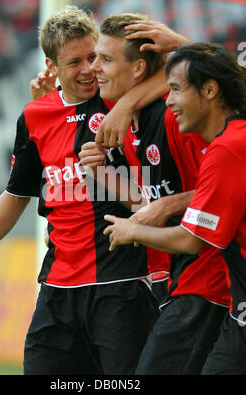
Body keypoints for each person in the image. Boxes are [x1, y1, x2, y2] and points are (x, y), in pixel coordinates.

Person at [0, 6, 169, 375]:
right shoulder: (36, 115)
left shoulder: (121, 98)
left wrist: (128, 103)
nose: (89, 69)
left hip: (120, 284)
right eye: (75, 62)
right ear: (52, 64)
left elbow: (178, 76)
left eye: (93, 57)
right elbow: (17, 192)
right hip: (57, 288)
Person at [79, 17, 230, 374]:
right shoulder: (128, 123)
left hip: (208, 275)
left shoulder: (174, 118)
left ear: (140, 67)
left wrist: (168, 205)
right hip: (175, 277)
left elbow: (223, 192)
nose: (94, 67)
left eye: (105, 59)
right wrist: (102, 174)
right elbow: (149, 204)